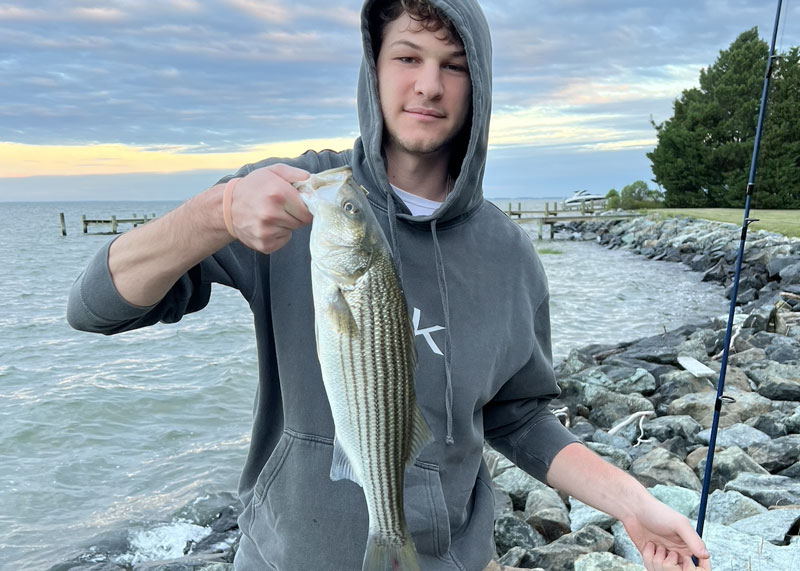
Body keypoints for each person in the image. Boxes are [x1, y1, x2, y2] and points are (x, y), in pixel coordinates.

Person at [67, 1, 712, 570]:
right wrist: (216, 212)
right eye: (407, 56)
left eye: (453, 64)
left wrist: (635, 503)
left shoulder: (509, 253)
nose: (428, 85)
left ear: (478, 86)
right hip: (285, 559)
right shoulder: (294, 198)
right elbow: (94, 307)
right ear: (373, 67)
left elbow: (520, 417)